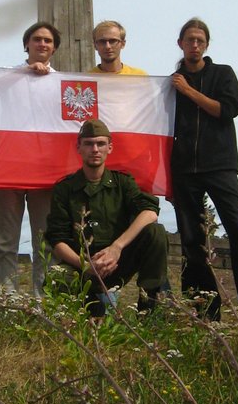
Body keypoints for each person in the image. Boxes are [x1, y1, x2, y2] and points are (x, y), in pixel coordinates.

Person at [170, 17, 238, 319]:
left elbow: (227, 110)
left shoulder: (222, 74)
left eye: (199, 40)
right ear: (180, 44)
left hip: (220, 165)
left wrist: (189, 92)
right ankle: (204, 311)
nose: (194, 45)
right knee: (191, 241)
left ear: (206, 45)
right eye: (189, 40)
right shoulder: (170, 83)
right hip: (184, 169)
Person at [45, 119, 168, 316]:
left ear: (110, 147)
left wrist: (117, 247)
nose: (95, 149)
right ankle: (94, 308)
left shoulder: (123, 183)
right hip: (83, 265)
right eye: (88, 143)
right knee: (55, 279)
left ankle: (148, 310)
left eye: (100, 143)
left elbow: (150, 213)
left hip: (118, 261)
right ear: (79, 147)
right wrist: (86, 265)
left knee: (156, 232)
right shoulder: (64, 189)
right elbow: (57, 239)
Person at [0, 21, 62, 298]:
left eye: (47, 40)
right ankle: (5, 300)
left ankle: (44, 301)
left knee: (45, 241)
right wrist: (24, 73)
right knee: (5, 239)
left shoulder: (61, 83)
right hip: (10, 168)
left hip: (45, 172)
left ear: (54, 48)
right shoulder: (8, 77)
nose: (42, 44)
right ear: (27, 44)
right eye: (37, 39)